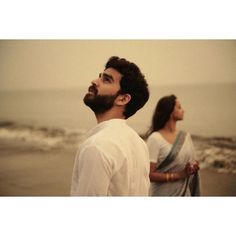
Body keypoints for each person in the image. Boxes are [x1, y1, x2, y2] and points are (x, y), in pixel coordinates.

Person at [71, 56, 150, 196]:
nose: (94, 81)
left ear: (123, 98)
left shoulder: (96, 146)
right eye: (100, 77)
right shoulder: (140, 144)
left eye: (106, 80)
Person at [146, 94, 201, 196]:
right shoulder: (155, 138)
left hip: (185, 192)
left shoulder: (186, 137)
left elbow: (192, 162)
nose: (183, 110)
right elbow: (148, 174)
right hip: (163, 194)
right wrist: (178, 175)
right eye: (179, 107)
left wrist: (193, 168)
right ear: (170, 111)